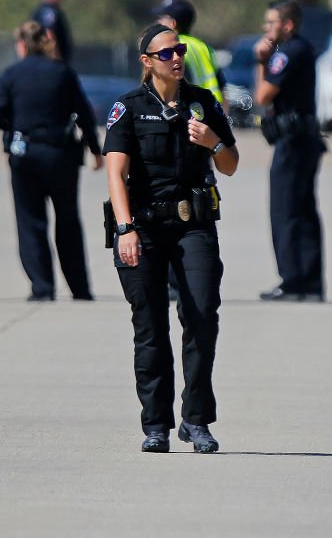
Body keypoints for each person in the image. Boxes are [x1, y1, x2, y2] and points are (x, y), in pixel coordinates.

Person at [104, 23, 239, 454]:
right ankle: (156, 425)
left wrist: (214, 142)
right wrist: (124, 229)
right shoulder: (129, 108)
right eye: (165, 54)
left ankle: (196, 420)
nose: (176, 58)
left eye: (178, 50)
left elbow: (231, 165)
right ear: (147, 62)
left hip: (193, 226)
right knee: (151, 329)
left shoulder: (203, 104)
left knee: (201, 317)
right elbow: (115, 174)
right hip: (142, 228)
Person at [0, 21, 104, 302]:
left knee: (31, 222)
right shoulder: (62, 72)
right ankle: (80, 288)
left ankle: (43, 287)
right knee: (68, 221)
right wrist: (95, 150)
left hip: (26, 158)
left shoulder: (11, 75)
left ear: (20, 45)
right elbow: (84, 113)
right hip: (62, 156)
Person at [252, 0, 326, 302]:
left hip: (293, 142)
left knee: (285, 211)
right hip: (305, 139)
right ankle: (309, 281)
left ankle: (292, 280)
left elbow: (263, 95)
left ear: (288, 24)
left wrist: (261, 61)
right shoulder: (303, 49)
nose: (267, 29)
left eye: (271, 23)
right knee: (304, 211)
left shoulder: (288, 53)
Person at [154, 0, 226, 105]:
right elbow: (222, 85)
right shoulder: (203, 46)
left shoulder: (172, 48)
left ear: (173, 23)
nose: (157, 22)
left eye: (161, 18)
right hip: (212, 110)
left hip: (192, 111)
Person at [32, 0, 74, 64]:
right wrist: (55, 60)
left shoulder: (44, 10)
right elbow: (48, 34)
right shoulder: (49, 11)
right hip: (48, 64)